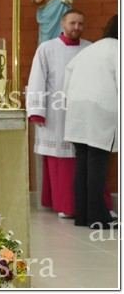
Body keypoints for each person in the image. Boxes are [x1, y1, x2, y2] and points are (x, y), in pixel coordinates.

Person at [25, 9, 90, 218]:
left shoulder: (89, 48)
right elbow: (37, 78)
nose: (76, 27)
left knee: (81, 158)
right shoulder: (47, 48)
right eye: (72, 23)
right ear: (63, 24)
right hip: (55, 113)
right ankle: (64, 204)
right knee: (60, 159)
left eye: (80, 23)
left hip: (82, 111)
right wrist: (37, 110)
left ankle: (81, 204)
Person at [64, 15, 118, 229]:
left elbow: (67, 79)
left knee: (83, 164)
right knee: (97, 163)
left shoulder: (90, 50)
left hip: (77, 110)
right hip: (101, 110)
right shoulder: (118, 50)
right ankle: (97, 217)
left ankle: (82, 216)